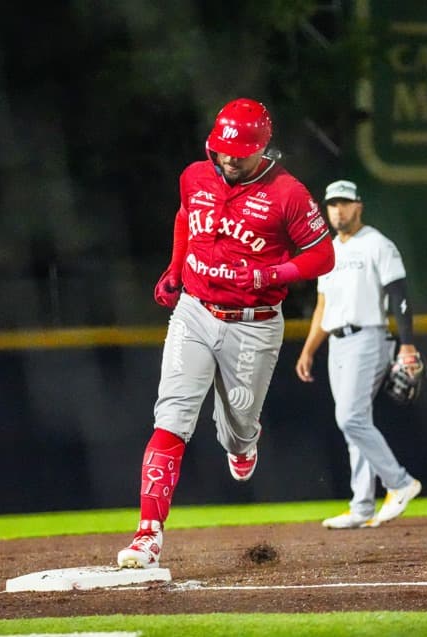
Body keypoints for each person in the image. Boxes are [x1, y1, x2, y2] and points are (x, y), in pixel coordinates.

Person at [116, 98, 335, 568]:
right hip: (194, 312)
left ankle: (243, 440)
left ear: (262, 148)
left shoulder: (287, 193)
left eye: (239, 151)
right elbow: (183, 218)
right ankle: (147, 534)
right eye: (222, 150)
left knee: (235, 430)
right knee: (171, 417)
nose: (229, 158)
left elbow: (323, 257)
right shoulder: (195, 175)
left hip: (253, 326)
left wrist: (269, 275)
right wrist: (175, 270)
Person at [294, 179, 422, 529]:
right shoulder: (327, 251)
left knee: (350, 418)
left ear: (358, 206)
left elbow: (400, 295)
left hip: (369, 336)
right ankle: (362, 505)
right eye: (333, 204)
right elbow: (323, 305)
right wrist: (308, 350)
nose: (339, 210)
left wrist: (407, 343)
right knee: (355, 423)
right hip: (337, 341)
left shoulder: (377, 244)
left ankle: (399, 483)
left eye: (345, 204)